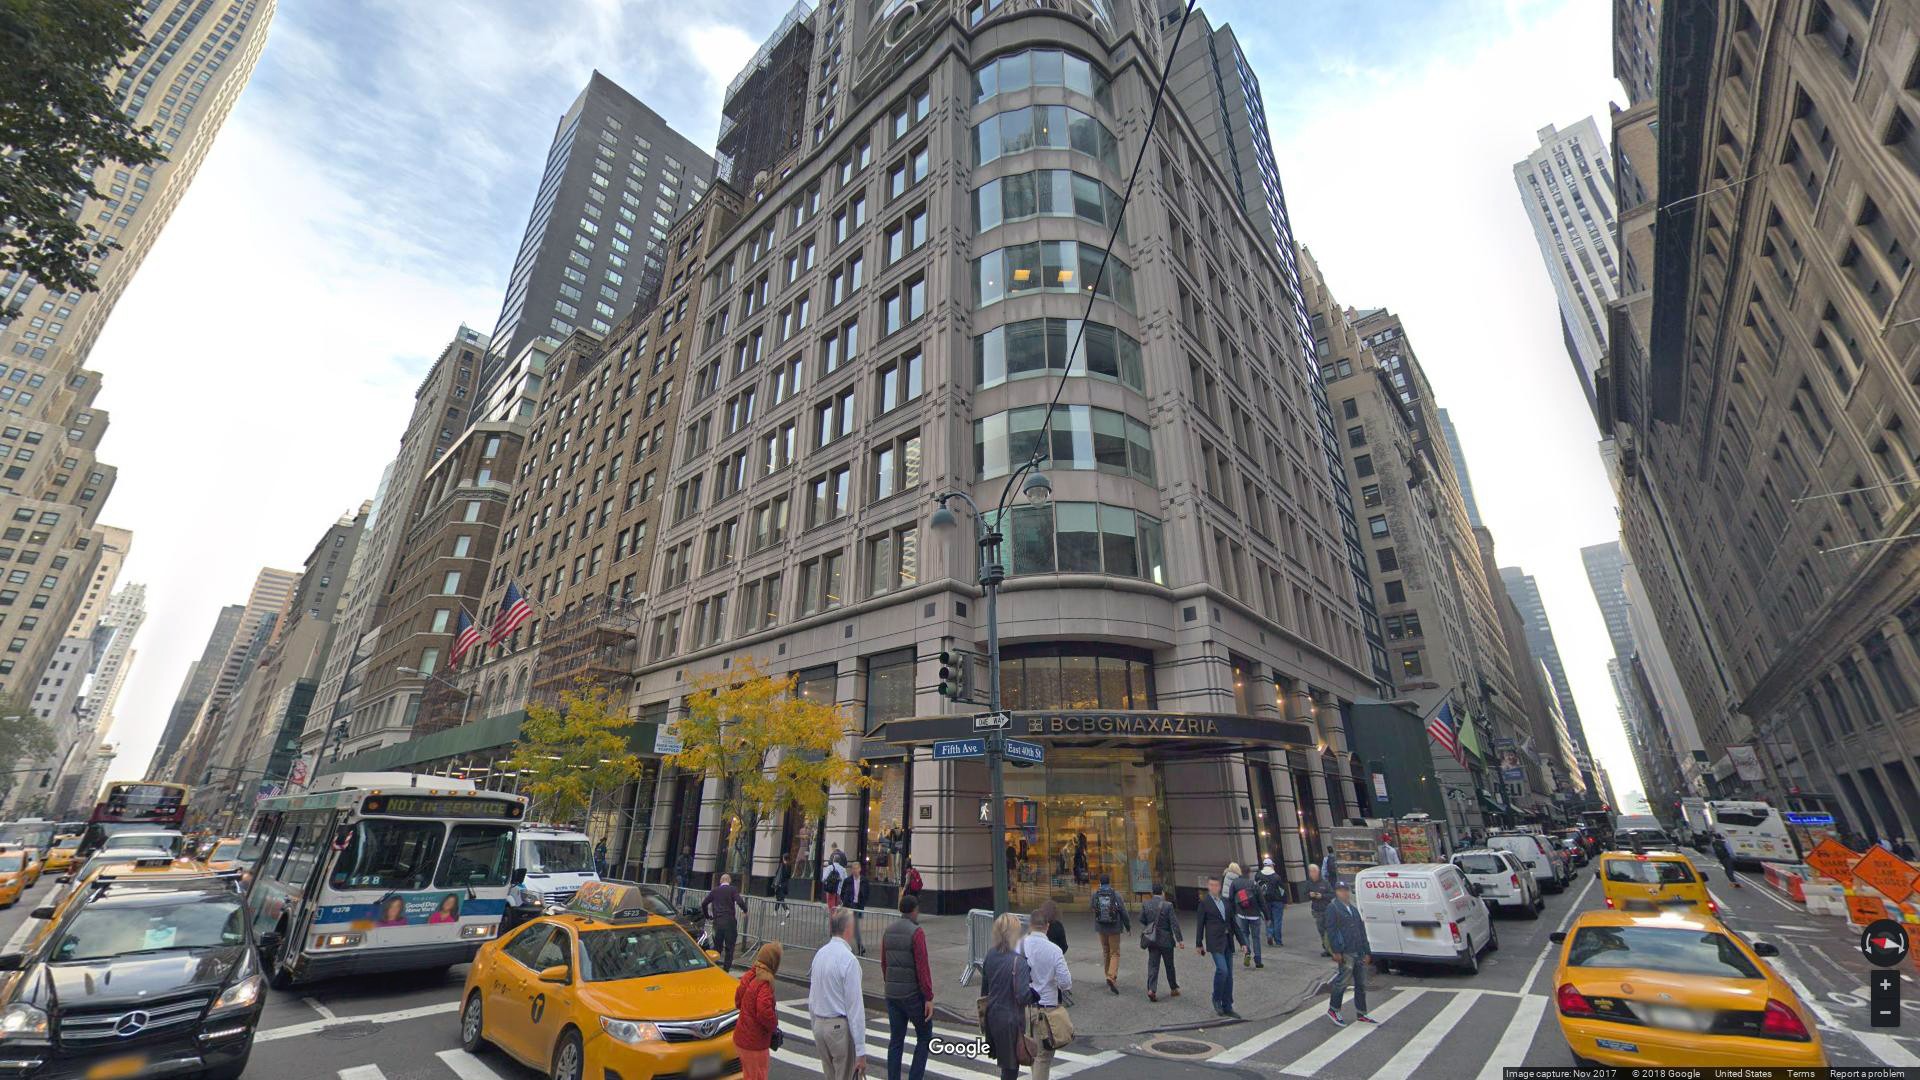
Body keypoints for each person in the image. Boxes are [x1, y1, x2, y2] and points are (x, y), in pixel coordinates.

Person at [808, 908, 867, 1080]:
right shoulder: (849, 960)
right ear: (848, 929)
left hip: (820, 1025)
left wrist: (815, 1024)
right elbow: (855, 1008)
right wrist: (861, 1050)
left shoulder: (820, 954)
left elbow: (813, 997)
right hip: (838, 1028)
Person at [882, 894, 934, 1080]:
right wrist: (928, 996)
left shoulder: (888, 931)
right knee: (925, 1036)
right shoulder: (916, 932)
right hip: (912, 994)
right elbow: (922, 966)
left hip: (892, 994)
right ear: (914, 910)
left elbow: (884, 963)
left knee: (896, 1040)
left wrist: (889, 982)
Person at [979, 913, 1034, 1080]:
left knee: (1006, 1067)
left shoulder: (990, 955)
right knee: (1011, 1069)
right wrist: (1036, 994)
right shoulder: (1019, 961)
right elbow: (1023, 996)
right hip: (1011, 1020)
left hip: (992, 1016)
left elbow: (985, 991)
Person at [1020, 906, 1072, 1080]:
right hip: (1047, 1007)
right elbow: (1066, 982)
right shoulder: (1054, 950)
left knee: (1029, 1052)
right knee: (1043, 1056)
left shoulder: (1019, 946)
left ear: (1030, 925)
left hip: (1024, 1007)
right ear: (1047, 926)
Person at [1324, 881, 1376, 1027]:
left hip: (1358, 950)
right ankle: (1333, 1009)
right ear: (1336, 892)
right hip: (1346, 950)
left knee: (1361, 983)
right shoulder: (1333, 908)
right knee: (1342, 981)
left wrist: (1367, 951)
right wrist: (1336, 951)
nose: (1344, 893)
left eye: (1345, 890)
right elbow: (1331, 931)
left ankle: (1362, 1012)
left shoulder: (1353, 909)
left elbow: (1361, 931)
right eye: (1340, 890)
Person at [1195, 874, 1242, 1019]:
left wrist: (1243, 942)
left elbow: (1233, 923)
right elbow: (1200, 924)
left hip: (1227, 940)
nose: (1213, 888)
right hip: (1214, 941)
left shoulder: (1226, 902)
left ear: (1220, 887)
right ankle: (1216, 998)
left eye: (1216, 885)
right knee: (1222, 970)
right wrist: (1198, 943)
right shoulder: (1204, 903)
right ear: (1208, 886)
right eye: (1211, 885)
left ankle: (1227, 1005)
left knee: (1229, 975)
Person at [734, 942, 782, 1080]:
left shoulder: (750, 975)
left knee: (748, 1074)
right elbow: (764, 1012)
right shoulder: (764, 983)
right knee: (758, 1075)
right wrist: (773, 1025)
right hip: (755, 1042)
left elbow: (738, 1001)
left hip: (741, 1038)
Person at [1139, 882, 1182, 1002]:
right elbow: (1174, 923)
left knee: (1153, 965)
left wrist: (1150, 925)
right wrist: (1180, 939)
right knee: (1169, 965)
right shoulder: (1168, 905)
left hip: (1152, 940)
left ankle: (1151, 989)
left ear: (1152, 893)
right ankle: (1173, 988)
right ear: (1162, 892)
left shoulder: (1146, 904)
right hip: (1166, 940)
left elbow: (1142, 919)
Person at [1090, 873, 1130, 994]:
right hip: (1114, 927)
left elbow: (1093, 908)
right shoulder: (1116, 894)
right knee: (1115, 952)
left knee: (1106, 951)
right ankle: (1111, 976)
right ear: (1109, 882)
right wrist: (1128, 926)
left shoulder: (1095, 894)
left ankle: (1108, 974)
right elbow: (1123, 912)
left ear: (1100, 883)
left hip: (1101, 927)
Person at [704, 872, 749, 970]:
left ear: (721, 881)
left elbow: (704, 903)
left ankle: (714, 967)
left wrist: (707, 916)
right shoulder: (732, 889)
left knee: (717, 947)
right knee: (730, 947)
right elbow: (740, 901)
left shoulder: (715, 890)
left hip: (717, 922)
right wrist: (745, 910)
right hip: (730, 922)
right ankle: (726, 969)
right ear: (729, 881)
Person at [1224, 861, 1262, 969]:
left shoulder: (1234, 883)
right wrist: (1267, 915)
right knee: (1256, 937)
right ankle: (1258, 960)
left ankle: (1247, 952)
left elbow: (1230, 898)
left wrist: (1232, 912)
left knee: (1244, 934)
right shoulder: (1253, 883)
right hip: (1254, 914)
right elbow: (1261, 900)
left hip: (1241, 914)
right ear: (1249, 872)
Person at [1305, 864, 1335, 957]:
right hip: (1317, 911)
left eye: (1314, 871)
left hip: (1327, 909)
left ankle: (1334, 949)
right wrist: (1310, 895)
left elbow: (1332, 894)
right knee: (1321, 930)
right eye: (1311, 872)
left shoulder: (1325, 883)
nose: (1312, 874)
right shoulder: (1308, 884)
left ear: (1318, 872)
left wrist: (1322, 896)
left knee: (1329, 930)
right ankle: (1327, 949)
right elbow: (1305, 895)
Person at [841, 859, 870, 954]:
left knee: (855, 928)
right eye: (853, 868)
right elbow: (842, 893)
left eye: (856, 868)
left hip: (858, 906)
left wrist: (863, 902)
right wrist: (845, 902)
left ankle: (859, 947)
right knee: (850, 927)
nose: (855, 870)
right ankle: (856, 947)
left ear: (860, 869)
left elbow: (867, 893)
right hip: (849, 906)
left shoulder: (864, 881)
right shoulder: (847, 881)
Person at [1260, 861, 1286, 948]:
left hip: (1265, 901)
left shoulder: (1258, 875)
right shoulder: (1276, 876)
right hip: (1277, 900)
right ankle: (1278, 941)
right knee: (1277, 920)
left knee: (1268, 919)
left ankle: (1269, 934)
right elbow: (1281, 889)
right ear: (1271, 865)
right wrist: (1284, 900)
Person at [773, 852, 794, 917]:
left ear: (784, 858)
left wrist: (776, 883)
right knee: (779, 898)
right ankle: (775, 911)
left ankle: (786, 910)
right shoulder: (789, 866)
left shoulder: (782, 865)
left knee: (780, 898)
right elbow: (788, 876)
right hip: (785, 884)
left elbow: (778, 874)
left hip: (780, 884)